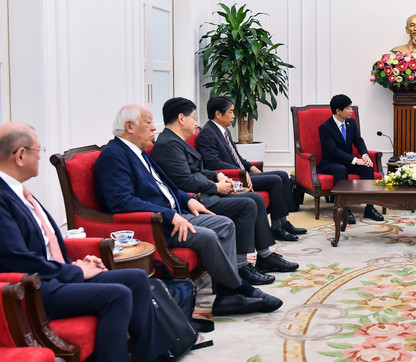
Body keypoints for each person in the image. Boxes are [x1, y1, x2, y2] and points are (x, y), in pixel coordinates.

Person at [0, 123, 198, 362]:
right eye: (38, 150)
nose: (40, 156)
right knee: (116, 294)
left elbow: (44, 245)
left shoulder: (18, 190)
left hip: (55, 275)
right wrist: (75, 272)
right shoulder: (2, 197)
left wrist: (75, 263)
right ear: (20, 155)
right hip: (34, 290)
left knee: (137, 278)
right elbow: (17, 260)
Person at [95, 105, 283, 316]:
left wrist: (188, 201)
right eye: (148, 123)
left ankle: (227, 295)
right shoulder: (114, 156)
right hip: (155, 224)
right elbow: (121, 201)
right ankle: (239, 289)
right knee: (209, 236)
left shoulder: (138, 152)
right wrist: (169, 215)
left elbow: (167, 186)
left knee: (225, 224)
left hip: (175, 213)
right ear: (129, 127)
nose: (153, 129)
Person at [150, 98, 298, 280]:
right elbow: (185, 181)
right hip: (195, 199)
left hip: (202, 191)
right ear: (181, 118)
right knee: (249, 204)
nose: (196, 123)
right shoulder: (168, 144)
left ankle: (265, 256)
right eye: (194, 117)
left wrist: (217, 175)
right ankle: (241, 266)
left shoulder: (176, 141)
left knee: (256, 199)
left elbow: (197, 170)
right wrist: (216, 187)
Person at [197, 95, 305, 242]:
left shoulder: (224, 131)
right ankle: (277, 228)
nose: (233, 116)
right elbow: (213, 163)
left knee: (282, 175)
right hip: (233, 177)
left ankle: (283, 222)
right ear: (218, 114)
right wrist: (241, 172)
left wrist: (251, 167)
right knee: (274, 180)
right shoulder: (207, 134)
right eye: (230, 112)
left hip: (241, 173)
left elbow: (237, 158)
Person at [317, 94, 385, 225]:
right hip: (331, 162)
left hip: (347, 161)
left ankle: (369, 208)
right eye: (348, 108)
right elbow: (333, 151)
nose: (351, 110)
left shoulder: (350, 122)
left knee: (367, 167)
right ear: (338, 111)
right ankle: (343, 208)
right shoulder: (325, 127)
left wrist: (364, 155)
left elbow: (358, 141)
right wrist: (355, 160)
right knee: (340, 169)